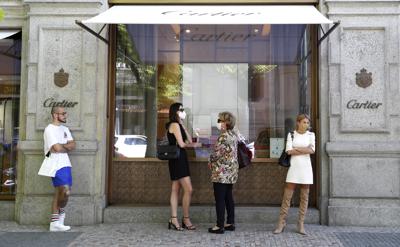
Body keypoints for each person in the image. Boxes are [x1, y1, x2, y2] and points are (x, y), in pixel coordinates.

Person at [273, 114, 315, 235]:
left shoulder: (311, 135)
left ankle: (301, 223)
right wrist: (303, 149)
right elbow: (288, 151)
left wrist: (296, 149)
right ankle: (281, 222)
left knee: (304, 197)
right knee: (287, 197)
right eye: (304, 122)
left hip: (306, 169)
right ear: (298, 122)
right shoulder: (291, 134)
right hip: (294, 168)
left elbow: (312, 150)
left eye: (307, 123)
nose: (306, 125)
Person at [166, 103, 201, 231]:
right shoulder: (174, 125)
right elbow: (182, 144)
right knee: (189, 189)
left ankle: (173, 218)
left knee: (175, 188)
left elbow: (189, 140)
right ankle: (185, 219)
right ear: (175, 111)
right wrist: (194, 146)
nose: (183, 111)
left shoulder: (178, 124)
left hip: (179, 159)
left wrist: (183, 125)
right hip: (178, 159)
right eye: (181, 110)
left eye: (183, 109)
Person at [44, 106, 76, 232]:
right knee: (65, 191)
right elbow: (56, 149)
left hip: (65, 163)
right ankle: (56, 221)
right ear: (55, 115)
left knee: (61, 192)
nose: (65, 115)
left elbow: (73, 145)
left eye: (65, 113)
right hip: (54, 163)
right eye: (63, 113)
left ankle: (57, 222)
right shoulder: (49, 129)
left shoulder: (65, 129)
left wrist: (62, 147)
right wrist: (64, 147)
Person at [208, 112, 239, 234]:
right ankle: (230, 222)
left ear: (226, 122)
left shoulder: (223, 137)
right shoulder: (233, 135)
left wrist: (209, 160)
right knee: (228, 197)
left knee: (219, 199)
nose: (218, 122)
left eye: (220, 120)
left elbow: (216, 154)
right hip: (231, 172)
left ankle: (219, 225)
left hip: (221, 173)